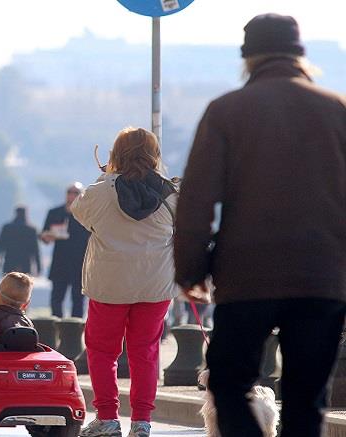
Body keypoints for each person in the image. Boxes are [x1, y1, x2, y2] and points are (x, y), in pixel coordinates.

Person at [174, 14, 346, 437]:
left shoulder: (226, 111)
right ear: (300, 55)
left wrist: (190, 271)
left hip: (247, 276)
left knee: (230, 383)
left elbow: (196, 202)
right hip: (321, 278)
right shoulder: (336, 109)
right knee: (308, 397)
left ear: (248, 58)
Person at [71, 127, 180, 437]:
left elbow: (80, 214)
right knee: (145, 351)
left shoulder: (100, 191)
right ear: (155, 155)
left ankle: (106, 417)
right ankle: (142, 421)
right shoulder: (171, 194)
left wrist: (108, 176)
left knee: (102, 352)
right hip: (154, 284)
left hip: (109, 283)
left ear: (114, 155)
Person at [41, 183, 91, 318]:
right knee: (56, 298)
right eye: (70, 192)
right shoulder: (54, 212)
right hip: (60, 262)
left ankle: (74, 331)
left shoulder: (86, 214)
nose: (72, 195)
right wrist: (47, 236)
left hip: (79, 262)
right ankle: (55, 327)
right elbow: (44, 236)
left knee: (78, 300)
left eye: (76, 193)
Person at [0, 206, 40, 276]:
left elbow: (0, 246)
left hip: (9, 261)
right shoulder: (31, 230)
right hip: (25, 262)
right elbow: (35, 250)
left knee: (9, 284)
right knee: (23, 285)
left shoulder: (7, 228)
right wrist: (38, 266)